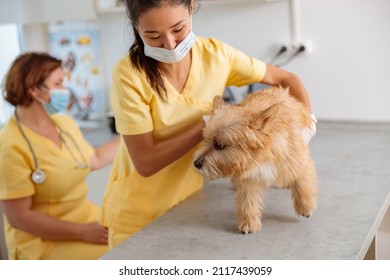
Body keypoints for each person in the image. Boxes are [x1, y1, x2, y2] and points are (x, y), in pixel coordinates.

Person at [101, 0, 316, 249]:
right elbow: (145, 162)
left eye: (178, 29)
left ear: (191, 8)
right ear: (136, 28)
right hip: (137, 215)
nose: (169, 44)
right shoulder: (128, 75)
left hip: (191, 205)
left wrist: (306, 122)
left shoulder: (216, 55)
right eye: (153, 35)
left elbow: (286, 78)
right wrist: (210, 127)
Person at [0, 52, 119, 260]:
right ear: (35, 90)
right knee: (123, 257)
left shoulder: (63, 124)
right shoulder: (11, 146)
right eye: (59, 83)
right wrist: (82, 232)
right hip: (42, 241)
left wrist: (135, 134)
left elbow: (95, 159)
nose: (65, 90)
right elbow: (19, 217)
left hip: (86, 219)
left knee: (138, 239)